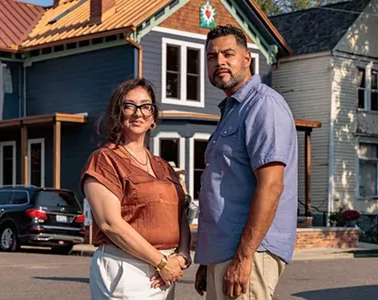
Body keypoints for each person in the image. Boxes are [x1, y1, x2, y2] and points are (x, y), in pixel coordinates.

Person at [194, 25, 298, 300]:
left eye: (228, 54)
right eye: (212, 57)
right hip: (224, 252)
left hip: (248, 253)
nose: (220, 62)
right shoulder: (232, 111)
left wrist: (243, 257)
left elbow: (272, 185)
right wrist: (208, 260)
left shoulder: (263, 106)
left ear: (247, 58)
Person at [80, 78, 191, 300]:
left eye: (146, 106)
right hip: (126, 270)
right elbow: (110, 224)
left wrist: (182, 256)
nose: (138, 113)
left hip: (166, 271)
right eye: (129, 106)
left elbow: (181, 215)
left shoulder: (164, 166)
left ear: (153, 117)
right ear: (117, 114)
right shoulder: (105, 160)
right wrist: (160, 262)